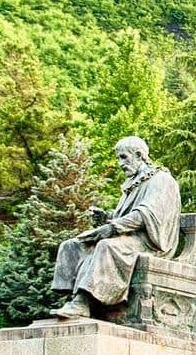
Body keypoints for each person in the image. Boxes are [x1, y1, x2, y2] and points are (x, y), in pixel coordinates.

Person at [50, 136, 181, 320]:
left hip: (150, 242)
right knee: (73, 244)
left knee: (106, 246)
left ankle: (83, 302)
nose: (120, 163)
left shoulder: (161, 180)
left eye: (123, 157)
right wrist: (107, 217)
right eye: (118, 158)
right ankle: (76, 298)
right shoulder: (133, 183)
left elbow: (146, 214)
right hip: (127, 236)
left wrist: (112, 228)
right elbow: (126, 216)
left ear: (138, 155)